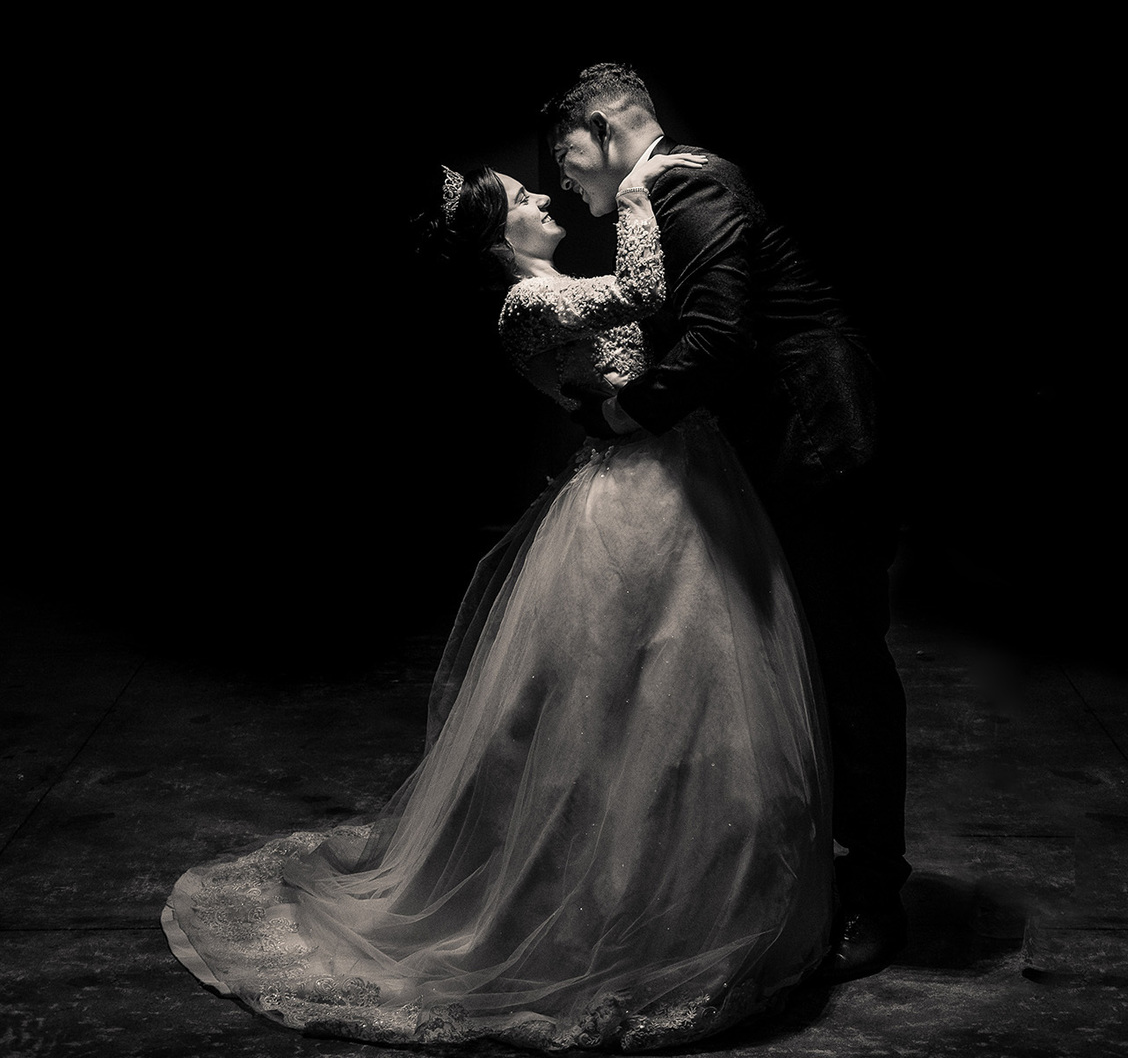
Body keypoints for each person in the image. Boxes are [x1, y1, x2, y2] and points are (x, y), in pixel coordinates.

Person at [162, 144, 834, 1051]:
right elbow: (642, 292)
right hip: (637, 500)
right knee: (627, 700)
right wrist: (641, 191)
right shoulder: (528, 302)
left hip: (676, 478)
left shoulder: (554, 287)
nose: (547, 198)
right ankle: (603, 906)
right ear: (496, 235)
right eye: (525, 197)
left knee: (676, 702)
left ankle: (683, 889)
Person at [544, 63, 910, 979]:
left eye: (567, 157)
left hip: (818, 442)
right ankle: (828, 874)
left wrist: (619, 414)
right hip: (788, 449)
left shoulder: (685, 184)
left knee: (846, 665)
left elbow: (718, 334)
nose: (567, 183)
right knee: (812, 663)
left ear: (603, 129)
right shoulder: (670, 191)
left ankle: (877, 894)